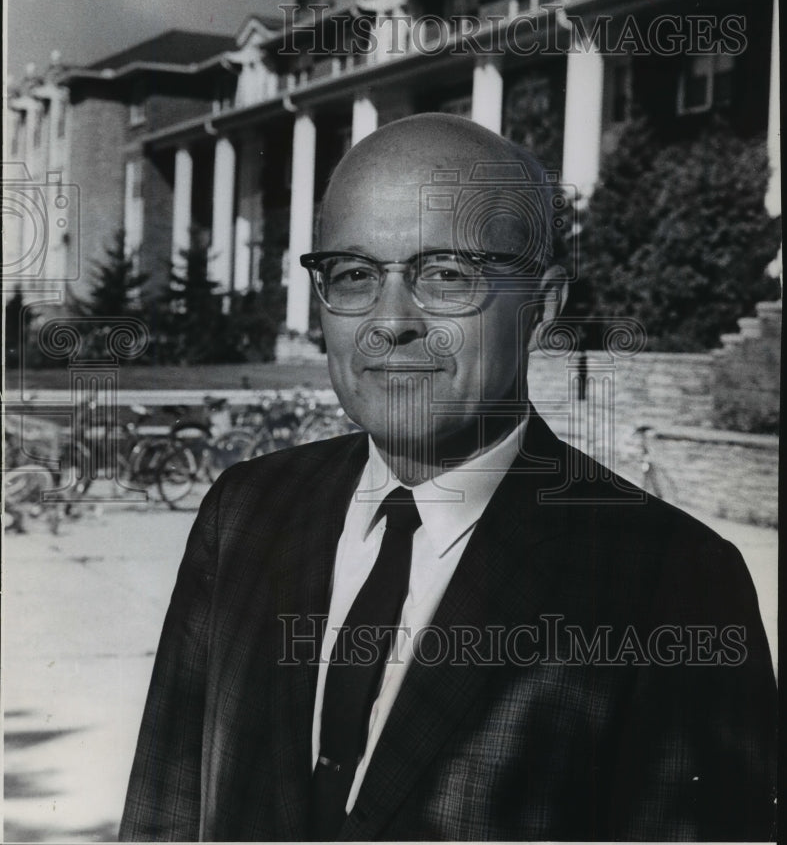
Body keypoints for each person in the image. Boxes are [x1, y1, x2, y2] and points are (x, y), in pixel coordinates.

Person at [119, 113, 776, 841]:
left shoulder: (671, 583)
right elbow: (164, 813)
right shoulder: (243, 512)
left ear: (542, 307)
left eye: (445, 274)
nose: (390, 320)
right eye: (353, 274)